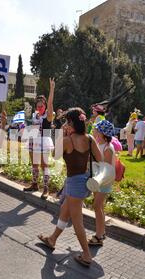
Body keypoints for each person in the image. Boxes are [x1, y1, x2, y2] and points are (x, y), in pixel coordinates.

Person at [37, 108, 103, 267]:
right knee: (65, 211)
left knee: (77, 221)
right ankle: (52, 239)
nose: (65, 123)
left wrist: (61, 135)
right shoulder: (89, 138)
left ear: (72, 123)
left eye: (67, 121)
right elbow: (99, 159)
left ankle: (86, 255)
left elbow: (55, 156)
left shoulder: (67, 140)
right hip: (86, 180)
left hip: (74, 183)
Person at [24, 78, 55, 200]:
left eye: (42, 106)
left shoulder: (48, 115)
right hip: (33, 141)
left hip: (44, 142)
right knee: (34, 165)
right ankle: (35, 184)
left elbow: (51, 104)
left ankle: (46, 188)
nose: (39, 108)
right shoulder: (34, 115)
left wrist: (52, 89)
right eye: (38, 106)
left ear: (45, 106)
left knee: (44, 165)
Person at [88, 120, 117, 247]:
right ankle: (102, 232)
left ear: (103, 134)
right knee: (99, 207)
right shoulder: (99, 144)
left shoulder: (107, 148)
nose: (93, 131)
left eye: (96, 130)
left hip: (103, 182)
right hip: (97, 179)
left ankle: (99, 236)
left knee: (96, 206)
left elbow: (106, 168)